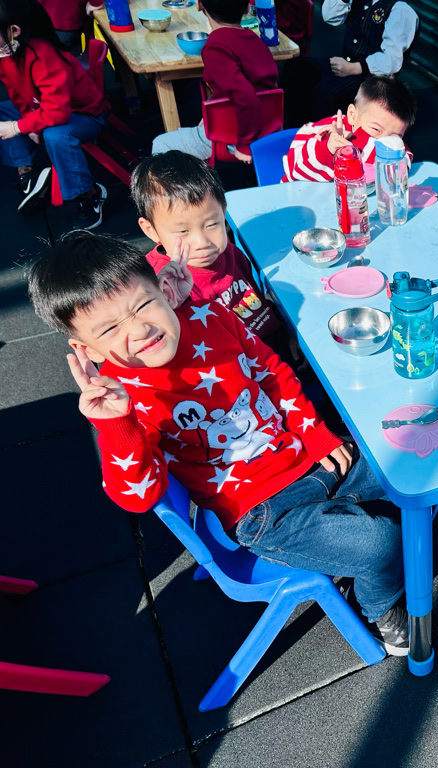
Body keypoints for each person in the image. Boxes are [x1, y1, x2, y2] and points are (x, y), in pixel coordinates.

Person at [27, 232, 410, 655]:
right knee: (381, 543)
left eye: (143, 305)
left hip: (307, 459)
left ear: (163, 290)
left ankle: (349, 530)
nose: (140, 329)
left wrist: (314, 432)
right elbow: (138, 498)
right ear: (86, 349)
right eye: (111, 329)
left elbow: (272, 373)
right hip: (260, 510)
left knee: (404, 458)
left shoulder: (211, 317)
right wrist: (117, 426)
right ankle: (378, 606)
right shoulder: (123, 399)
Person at [131, 150, 287, 351]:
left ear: (223, 212)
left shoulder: (230, 252)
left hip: (264, 346)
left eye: (212, 224)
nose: (202, 242)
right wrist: (164, 303)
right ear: (150, 230)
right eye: (183, 231)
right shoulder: (154, 283)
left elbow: (259, 306)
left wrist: (281, 333)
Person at [0, 0, 107, 228]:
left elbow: (58, 111)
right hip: (46, 109)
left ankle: (88, 194)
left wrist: (21, 127)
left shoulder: (44, 56)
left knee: (57, 135)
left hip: (85, 115)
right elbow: (17, 95)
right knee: (4, 109)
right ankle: (27, 173)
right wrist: (30, 124)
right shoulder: (6, 53)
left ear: (14, 31)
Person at [150, 0, 277, 164]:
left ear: (199, 5)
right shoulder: (255, 40)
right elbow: (265, 87)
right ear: (247, 8)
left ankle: (190, 181)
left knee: (161, 144)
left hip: (235, 135)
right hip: (268, 126)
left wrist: (245, 144)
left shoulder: (215, 47)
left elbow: (246, 96)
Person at [282, 0, 418, 127]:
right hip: (347, 63)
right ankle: (297, 129)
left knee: (325, 93)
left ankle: (322, 137)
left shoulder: (400, 10)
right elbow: (330, 16)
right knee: (296, 68)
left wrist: (354, 68)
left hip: (374, 78)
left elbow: (391, 61)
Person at [282, 74, 416, 183]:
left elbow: (405, 157)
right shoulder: (324, 132)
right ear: (352, 115)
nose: (383, 141)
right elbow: (293, 169)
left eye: (393, 137)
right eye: (376, 130)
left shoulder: (391, 141)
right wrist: (328, 149)